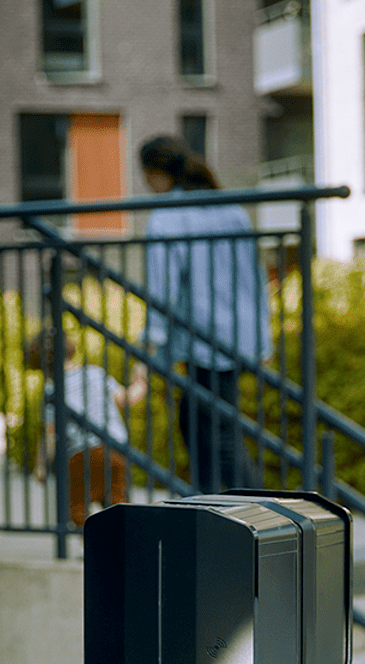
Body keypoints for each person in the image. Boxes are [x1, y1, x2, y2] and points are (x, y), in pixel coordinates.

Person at [139, 135, 272, 492]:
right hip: (239, 332)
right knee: (207, 423)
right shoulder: (230, 209)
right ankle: (228, 506)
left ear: (155, 174)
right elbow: (256, 275)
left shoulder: (168, 216)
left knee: (215, 430)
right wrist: (263, 334)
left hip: (205, 335)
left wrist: (152, 344)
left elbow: (162, 286)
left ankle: (237, 512)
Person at [28, 330, 149, 527]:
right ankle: (120, 545)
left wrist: (41, 466)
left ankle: (92, 544)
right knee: (117, 503)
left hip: (80, 455)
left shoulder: (51, 391)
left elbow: (50, 434)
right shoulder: (94, 373)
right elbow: (127, 399)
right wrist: (141, 381)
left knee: (75, 507)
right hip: (115, 450)